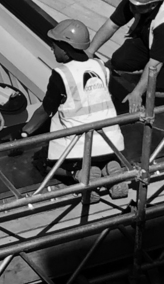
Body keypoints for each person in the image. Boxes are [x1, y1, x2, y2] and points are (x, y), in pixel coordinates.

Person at [40, 20, 127, 199]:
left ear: (64, 48)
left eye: (54, 45)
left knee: (43, 163)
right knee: (101, 156)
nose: (52, 49)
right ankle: (111, 167)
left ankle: (81, 176)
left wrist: (23, 133)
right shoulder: (100, 66)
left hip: (79, 147)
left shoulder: (61, 74)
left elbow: (45, 110)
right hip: (111, 142)